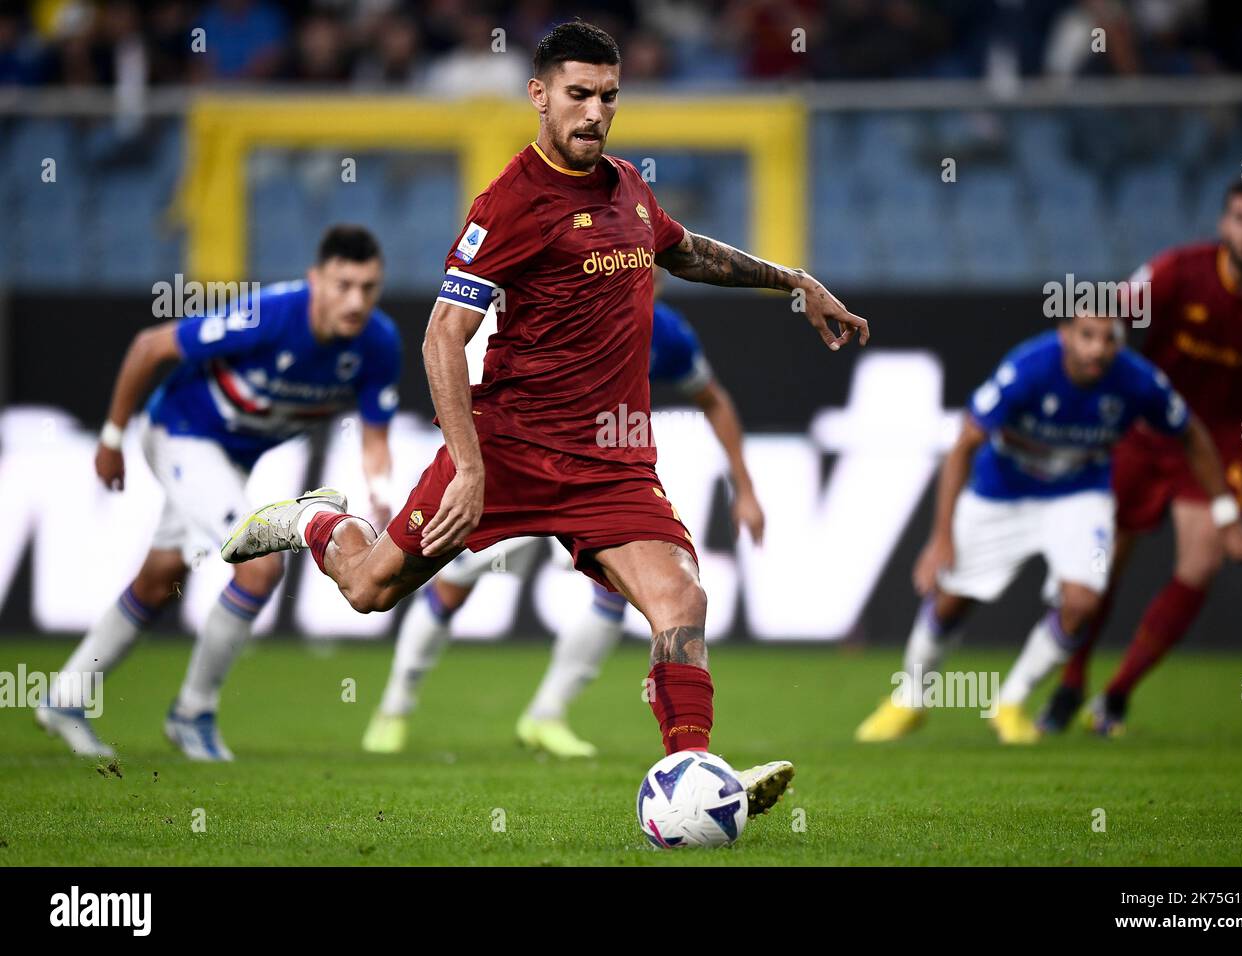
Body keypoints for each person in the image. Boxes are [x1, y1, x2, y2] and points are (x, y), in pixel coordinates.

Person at [222, 21, 867, 815]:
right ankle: (318, 523)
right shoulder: (509, 203)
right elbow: (441, 338)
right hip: (509, 449)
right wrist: (466, 463)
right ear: (539, 96)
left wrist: (794, 280)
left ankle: (692, 778)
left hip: (610, 461)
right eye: (578, 95)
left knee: (683, 602)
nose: (595, 113)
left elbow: (688, 250)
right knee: (370, 589)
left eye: (608, 97)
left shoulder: (629, 187)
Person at [37, 225, 400, 761]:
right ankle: (192, 712)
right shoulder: (270, 315)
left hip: (228, 459)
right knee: (260, 566)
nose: (355, 301)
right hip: (180, 434)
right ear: (315, 280)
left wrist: (381, 496)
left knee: (160, 581)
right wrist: (111, 439)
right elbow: (148, 346)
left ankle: (65, 699)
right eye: (343, 285)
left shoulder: (378, 342)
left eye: (368, 288)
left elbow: (375, 440)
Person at [362, 297, 766, 757]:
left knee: (612, 592)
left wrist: (746, 488)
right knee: (451, 587)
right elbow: (454, 355)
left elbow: (712, 398)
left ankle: (547, 714)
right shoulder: (545, 303)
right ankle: (395, 705)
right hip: (510, 465)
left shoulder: (666, 331)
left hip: (590, 480)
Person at [854, 311, 1242, 744]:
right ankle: (910, 699)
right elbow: (964, 444)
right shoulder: (1028, 369)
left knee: (1083, 602)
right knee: (950, 600)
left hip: (1079, 495)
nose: (1098, 348)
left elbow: (1192, 434)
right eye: (1087, 336)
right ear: (1065, 336)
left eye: (1109, 339)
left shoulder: (1138, 380)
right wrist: (940, 537)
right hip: (1002, 491)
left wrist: (1226, 514)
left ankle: (1010, 702)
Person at [1040, 180, 1242, 736]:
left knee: (1201, 563)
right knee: (1104, 565)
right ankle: (1070, 685)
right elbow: (1110, 314)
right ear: (1225, 225)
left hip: (1220, 446)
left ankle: (1116, 697)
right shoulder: (1179, 271)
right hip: (1144, 431)